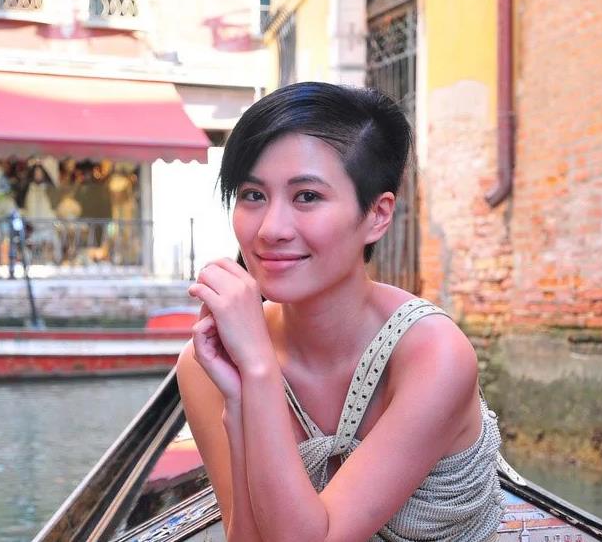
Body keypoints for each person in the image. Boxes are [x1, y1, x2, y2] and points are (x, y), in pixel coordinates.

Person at [177, 82, 504, 542]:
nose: (271, 229)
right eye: (252, 195)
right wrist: (238, 402)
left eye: (307, 196)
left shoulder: (434, 354)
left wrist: (259, 370)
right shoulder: (206, 365)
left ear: (377, 215)